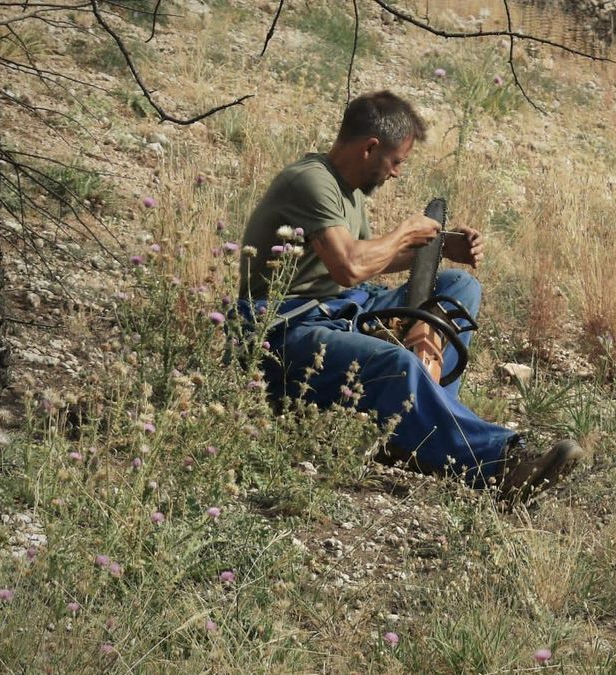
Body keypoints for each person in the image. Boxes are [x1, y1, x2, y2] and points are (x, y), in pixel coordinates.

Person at [238, 90, 583, 502]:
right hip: (283, 327)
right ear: (370, 148)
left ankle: (418, 425)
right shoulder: (311, 182)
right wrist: (404, 232)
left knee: (460, 287)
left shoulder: (349, 190)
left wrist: (441, 248)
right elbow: (349, 266)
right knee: (396, 362)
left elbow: (368, 261)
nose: (398, 173)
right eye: (396, 161)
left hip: (340, 308)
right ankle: (502, 464)